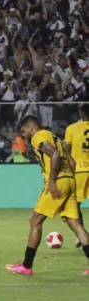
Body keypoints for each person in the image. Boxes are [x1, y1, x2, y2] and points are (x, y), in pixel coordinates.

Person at [7, 116, 89, 276]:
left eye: (23, 131)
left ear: (31, 128)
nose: (23, 135)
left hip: (58, 182)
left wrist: (52, 182)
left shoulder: (38, 137)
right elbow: (71, 162)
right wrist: (69, 182)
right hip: (70, 180)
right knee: (75, 223)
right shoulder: (55, 137)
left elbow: (55, 156)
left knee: (35, 221)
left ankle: (26, 265)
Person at [64, 104, 89, 247]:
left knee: (74, 205)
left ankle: (82, 235)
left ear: (81, 113)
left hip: (79, 171)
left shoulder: (72, 129)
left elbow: (67, 151)